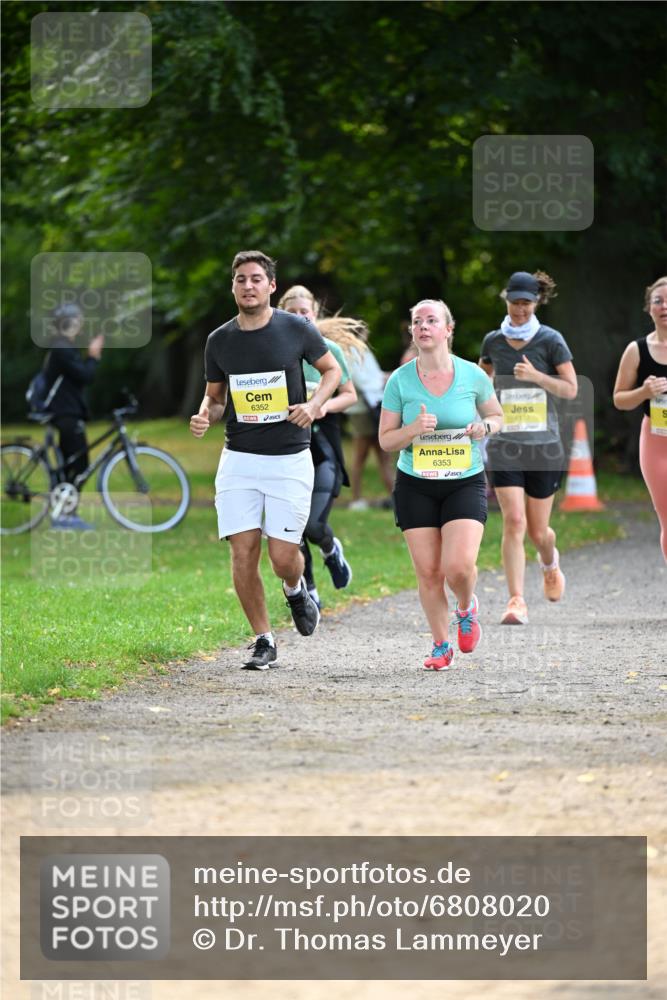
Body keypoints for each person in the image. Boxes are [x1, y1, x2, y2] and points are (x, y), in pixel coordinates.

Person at [190, 251, 341, 670]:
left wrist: (313, 405)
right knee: (243, 553)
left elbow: (331, 372)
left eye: (256, 278)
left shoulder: (296, 329)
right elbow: (216, 398)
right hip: (238, 458)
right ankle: (263, 639)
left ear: (271, 286)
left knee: (283, 558)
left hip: (288, 459)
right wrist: (205, 415)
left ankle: (295, 590)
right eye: (240, 279)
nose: (248, 285)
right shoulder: (219, 340)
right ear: (233, 286)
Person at [379, 299, 503, 670]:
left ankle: (466, 608)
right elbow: (386, 440)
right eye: (417, 321)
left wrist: (485, 427)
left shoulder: (472, 375)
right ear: (412, 331)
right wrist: (412, 430)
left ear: (448, 329)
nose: (423, 326)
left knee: (458, 568)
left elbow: (497, 415)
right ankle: (440, 645)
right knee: (429, 572)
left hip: (463, 481)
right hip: (415, 484)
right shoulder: (400, 380)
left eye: (432, 320)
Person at [479, 270, 578, 625]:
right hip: (505, 444)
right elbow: (481, 381)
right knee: (514, 521)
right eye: (514, 302)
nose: (520, 309)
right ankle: (516, 600)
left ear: (536, 303)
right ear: (506, 300)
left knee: (539, 532)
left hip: (543, 447)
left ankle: (549, 563)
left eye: (526, 303)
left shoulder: (550, 340)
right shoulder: (493, 341)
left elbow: (571, 389)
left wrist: (537, 377)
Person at [277, 286, 356, 609]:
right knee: (291, 529)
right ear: (281, 314)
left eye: (304, 311)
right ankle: (309, 591)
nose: (299, 317)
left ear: (315, 314)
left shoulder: (329, 350)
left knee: (312, 526)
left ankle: (330, 549)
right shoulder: (272, 350)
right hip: (284, 451)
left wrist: (323, 405)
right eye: (292, 312)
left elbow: (349, 395)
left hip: (323, 447)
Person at [613, 276, 667, 562]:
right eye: (658, 301)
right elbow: (619, 399)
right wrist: (644, 392)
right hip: (657, 441)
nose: (664, 306)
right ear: (649, 308)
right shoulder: (637, 350)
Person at [43, 303, 104, 529]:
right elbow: (85, 376)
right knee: (79, 464)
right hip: (65, 413)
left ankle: (63, 513)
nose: (81, 323)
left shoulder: (63, 347)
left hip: (66, 412)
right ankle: (65, 516)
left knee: (72, 464)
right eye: (78, 319)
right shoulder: (62, 348)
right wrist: (93, 356)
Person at [340, 319, 395, 509]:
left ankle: (395, 496)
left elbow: (375, 375)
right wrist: (382, 380)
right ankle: (356, 499)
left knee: (383, 455)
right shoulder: (349, 353)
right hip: (361, 411)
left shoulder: (364, 352)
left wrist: (388, 376)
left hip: (374, 408)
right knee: (361, 456)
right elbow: (361, 381)